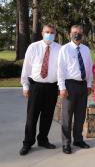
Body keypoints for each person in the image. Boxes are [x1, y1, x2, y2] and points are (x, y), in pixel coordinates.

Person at [19, 24, 61, 155]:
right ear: (42, 33)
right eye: (47, 32)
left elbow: (61, 69)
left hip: (52, 87)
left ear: (55, 34)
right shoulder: (33, 47)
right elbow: (26, 67)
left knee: (47, 116)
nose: (49, 34)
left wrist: (61, 86)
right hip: (36, 86)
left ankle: (43, 139)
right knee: (32, 117)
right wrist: (25, 86)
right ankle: (27, 142)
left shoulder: (60, 49)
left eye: (52, 32)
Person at [57, 25, 93, 154]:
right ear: (70, 34)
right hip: (69, 85)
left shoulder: (86, 49)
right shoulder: (64, 49)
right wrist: (62, 88)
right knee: (67, 116)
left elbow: (89, 68)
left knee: (80, 116)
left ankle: (78, 139)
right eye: (74, 32)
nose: (77, 34)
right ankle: (66, 143)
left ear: (82, 34)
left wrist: (89, 84)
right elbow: (60, 70)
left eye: (79, 32)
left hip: (83, 86)